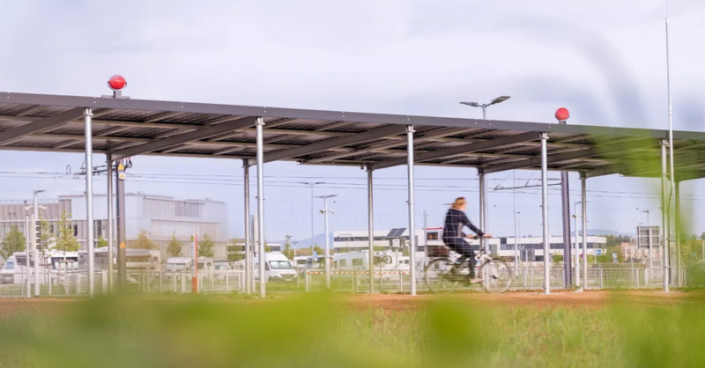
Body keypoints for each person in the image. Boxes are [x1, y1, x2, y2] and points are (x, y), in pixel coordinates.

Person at [442, 197, 491, 283]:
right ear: (462, 205)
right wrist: (482, 234)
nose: (466, 206)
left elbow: (452, 228)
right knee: (471, 254)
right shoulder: (460, 214)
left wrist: (466, 235)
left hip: (446, 239)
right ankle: (471, 277)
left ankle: (452, 271)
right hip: (455, 239)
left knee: (466, 254)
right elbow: (470, 225)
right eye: (466, 204)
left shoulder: (450, 213)